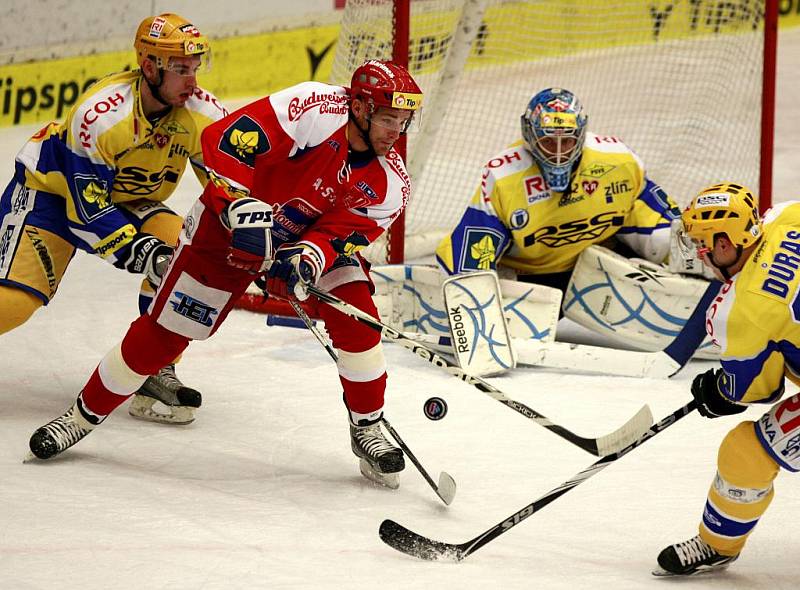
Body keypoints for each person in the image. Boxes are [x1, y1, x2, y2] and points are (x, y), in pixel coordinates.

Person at [27, 59, 424, 489]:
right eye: (387, 119)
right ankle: (81, 416)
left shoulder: (390, 182)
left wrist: (307, 258)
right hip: (228, 225)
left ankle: (366, 427)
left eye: (403, 122)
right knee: (165, 335)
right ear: (360, 109)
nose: (395, 133)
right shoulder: (314, 107)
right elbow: (226, 140)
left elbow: (341, 236)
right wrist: (237, 203)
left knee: (358, 317)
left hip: (299, 239)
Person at [0, 13, 228, 424]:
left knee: (188, 259)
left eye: (195, 68)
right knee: (15, 303)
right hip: (52, 195)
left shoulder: (204, 114)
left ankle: (152, 367)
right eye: (180, 69)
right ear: (148, 66)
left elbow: (230, 190)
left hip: (133, 201)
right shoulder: (102, 116)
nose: (192, 80)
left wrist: (255, 235)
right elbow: (85, 210)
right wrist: (144, 252)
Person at [654, 183, 798, 576]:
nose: (698, 253)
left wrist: (717, 390)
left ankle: (717, 544)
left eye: (701, 244)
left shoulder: (741, 312)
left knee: (747, 451)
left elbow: (759, 390)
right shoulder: (788, 215)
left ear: (724, 245)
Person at [435, 86, 680, 293]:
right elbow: (472, 255)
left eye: (568, 141)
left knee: (677, 241)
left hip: (600, 271)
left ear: (582, 134)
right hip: (531, 280)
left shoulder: (619, 160)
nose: (559, 152)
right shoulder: (504, 176)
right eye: (549, 141)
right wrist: (470, 296)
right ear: (530, 136)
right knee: (471, 279)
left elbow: (665, 221)